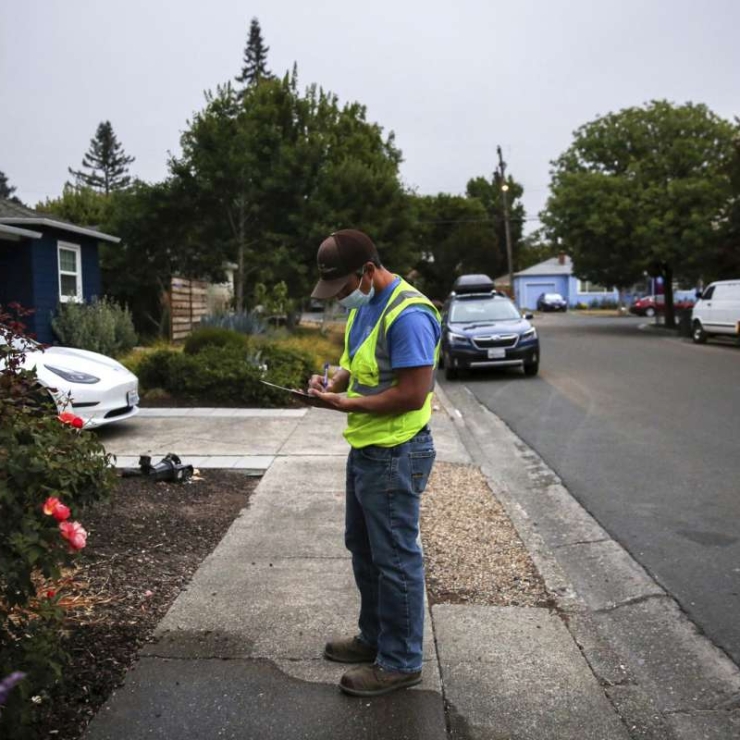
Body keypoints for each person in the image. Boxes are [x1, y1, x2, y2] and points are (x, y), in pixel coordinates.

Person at [305, 229, 441, 697]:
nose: (340, 297)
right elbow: (353, 364)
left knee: (395, 559)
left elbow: (412, 393)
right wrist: (330, 382)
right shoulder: (367, 307)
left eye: (343, 288)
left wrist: (347, 405)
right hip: (368, 448)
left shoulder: (410, 315)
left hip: (397, 452)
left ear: (366, 271)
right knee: (362, 548)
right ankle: (375, 638)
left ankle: (401, 661)